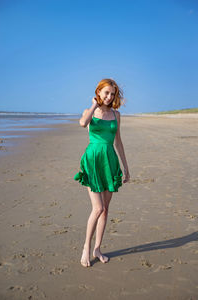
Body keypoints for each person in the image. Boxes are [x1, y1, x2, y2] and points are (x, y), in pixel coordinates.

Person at [74, 78, 130, 267]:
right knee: (97, 208)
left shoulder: (116, 114)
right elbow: (83, 123)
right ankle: (86, 248)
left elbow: (118, 142)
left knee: (105, 210)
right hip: (93, 161)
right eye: (106, 93)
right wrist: (93, 105)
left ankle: (97, 248)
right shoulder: (89, 112)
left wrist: (126, 167)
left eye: (112, 94)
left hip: (110, 161)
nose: (109, 97)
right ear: (98, 92)